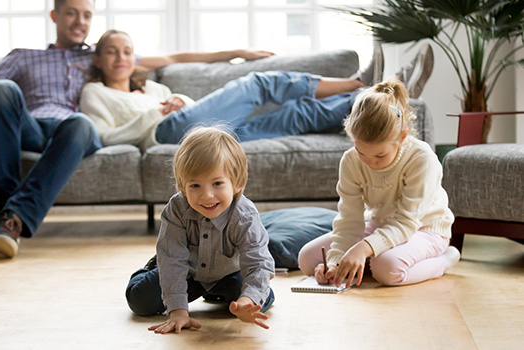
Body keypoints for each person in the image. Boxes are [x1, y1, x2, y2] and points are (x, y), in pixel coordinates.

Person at [0, 0, 272, 258]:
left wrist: (236, 52)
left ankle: (11, 220)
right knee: (0, 89)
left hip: (76, 132)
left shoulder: (98, 56)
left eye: (87, 15)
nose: (80, 21)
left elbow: (175, 58)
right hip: (33, 127)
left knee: (78, 121)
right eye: (72, 13)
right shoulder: (23, 57)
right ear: (55, 15)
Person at [79, 30, 435, 147]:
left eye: (127, 51)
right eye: (111, 51)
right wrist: (156, 114)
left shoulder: (152, 87)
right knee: (258, 84)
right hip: (167, 133)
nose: (121, 57)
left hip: (203, 134)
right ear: (98, 59)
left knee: (298, 115)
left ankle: (392, 101)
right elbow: (101, 137)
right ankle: (362, 82)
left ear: (135, 57)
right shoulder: (95, 93)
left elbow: (188, 105)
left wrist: (177, 100)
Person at [297, 79, 460, 287]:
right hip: (380, 226)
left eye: (380, 156)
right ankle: (364, 263)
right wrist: (335, 263)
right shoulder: (350, 160)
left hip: (424, 228)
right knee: (307, 259)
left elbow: (407, 222)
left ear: (402, 138)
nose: (371, 163)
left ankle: (444, 259)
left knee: (386, 270)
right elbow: (349, 220)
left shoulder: (422, 159)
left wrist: (363, 248)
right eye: (361, 153)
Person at [124, 126, 275, 334]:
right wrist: (177, 311)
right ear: (182, 186)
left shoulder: (245, 215)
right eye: (195, 186)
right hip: (187, 271)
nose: (207, 196)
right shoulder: (177, 209)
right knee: (140, 301)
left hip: (228, 272)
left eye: (217, 183)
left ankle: (219, 292)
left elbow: (258, 262)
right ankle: (152, 265)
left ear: (237, 183)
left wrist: (247, 300)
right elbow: (173, 261)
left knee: (260, 301)